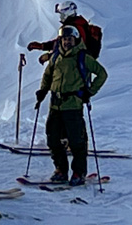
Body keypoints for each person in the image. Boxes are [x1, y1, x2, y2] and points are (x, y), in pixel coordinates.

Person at [35, 24, 107, 185]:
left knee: (76, 142)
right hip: (55, 105)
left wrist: (90, 92)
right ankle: (61, 170)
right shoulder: (56, 57)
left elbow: (102, 74)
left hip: (73, 105)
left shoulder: (83, 57)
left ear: (76, 40)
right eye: (64, 39)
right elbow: (48, 75)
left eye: (70, 39)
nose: (67, 42)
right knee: (53, 140)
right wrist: (43, 91)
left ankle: (78, 173)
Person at [27, 0, 102, 65]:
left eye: (62, 15)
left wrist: (49, 56)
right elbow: (59, 42)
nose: (61, 17)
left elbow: (69, 49)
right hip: (77, 64)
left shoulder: (73, 28)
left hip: (73, 66)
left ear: (67, 14)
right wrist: (42, 46)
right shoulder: (79, 24)